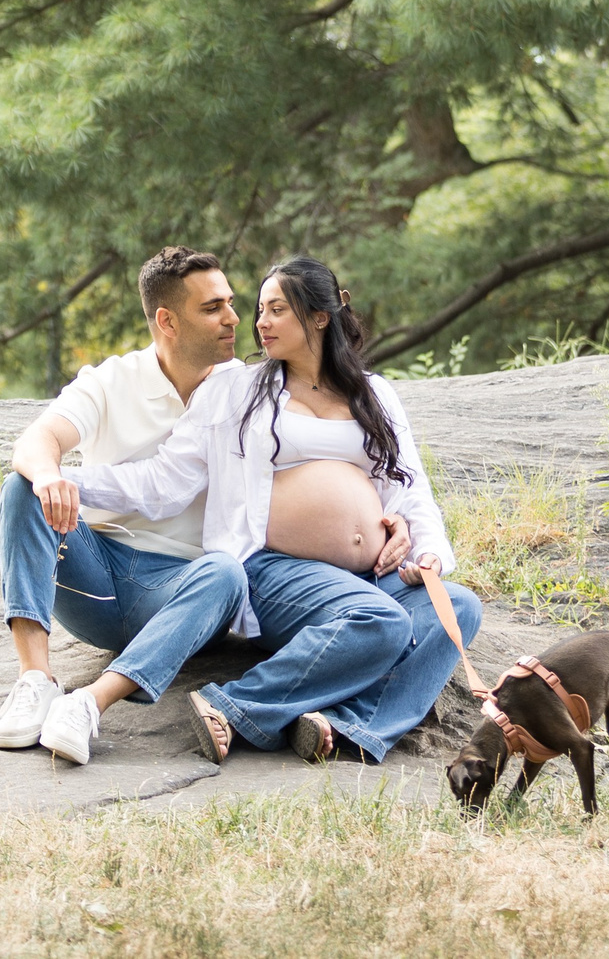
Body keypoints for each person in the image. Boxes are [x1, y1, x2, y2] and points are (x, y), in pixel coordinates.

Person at [64, 255, 482, 766]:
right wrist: (65, 481)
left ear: (319, 317)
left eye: (276, 310)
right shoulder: (234, 390)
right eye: (259, 309)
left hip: (371, 572)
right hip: (270, 567)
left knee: (457, 607)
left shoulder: (374, 394)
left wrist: (428, 550)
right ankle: (232, 706)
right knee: (382, 621)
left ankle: (343, 725)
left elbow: (408, 485)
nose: (258, 322)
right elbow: (165, 482)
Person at [0, 246, 251, 765]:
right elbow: (37, 439)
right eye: (212, 308)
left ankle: (88, 705)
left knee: (225, 574)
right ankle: (34, 680)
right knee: (21, 487)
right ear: (166, 321)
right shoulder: (111, 381)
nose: (233, 318)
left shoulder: (240, 388)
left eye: (230, 302)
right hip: (96, 579)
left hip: (180, 590)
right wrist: (49, 476)